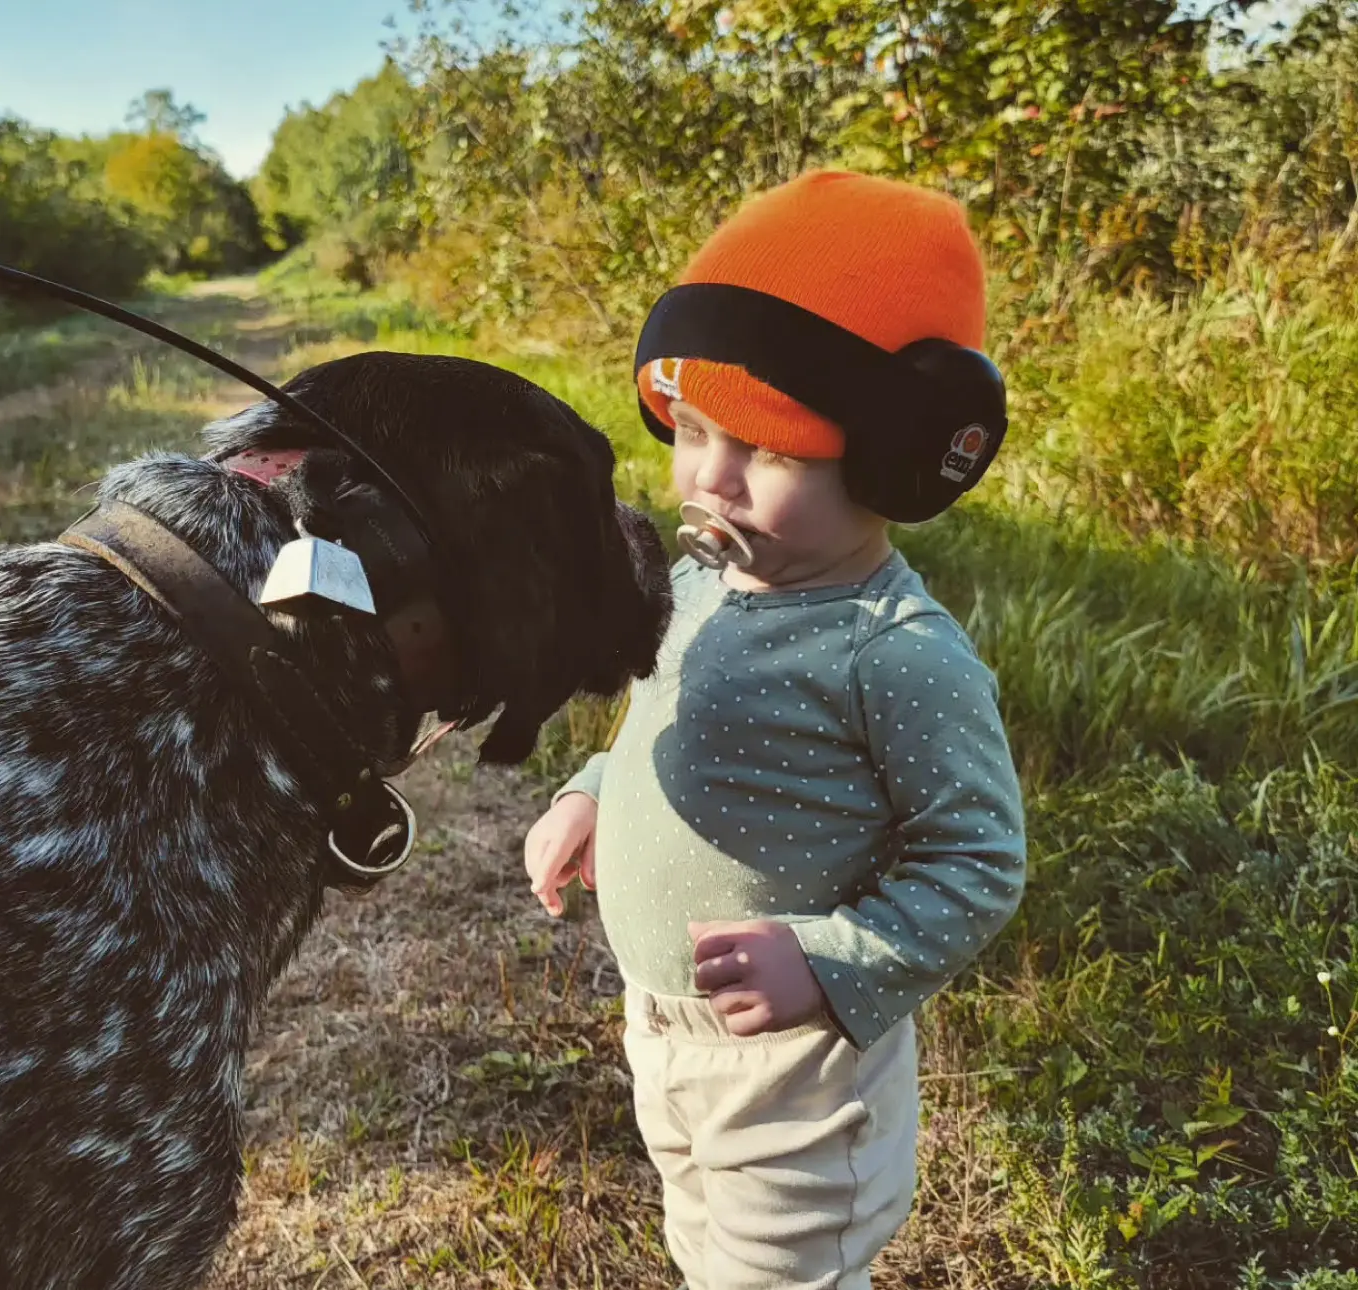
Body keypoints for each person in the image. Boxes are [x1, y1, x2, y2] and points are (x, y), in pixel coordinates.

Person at [522, 169, 1028, 1290]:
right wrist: (594, 792)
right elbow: (660, 713)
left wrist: (829, 962)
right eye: (692, 429)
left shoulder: (893, 650)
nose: (711, 478)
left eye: (771, 450)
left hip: (795, 1073)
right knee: (698, 1246)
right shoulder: (706, 578)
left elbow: (979, 862)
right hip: (662, 1034)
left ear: (902, 459)